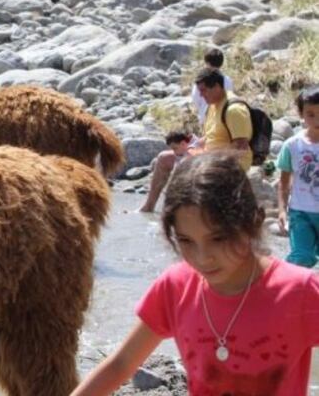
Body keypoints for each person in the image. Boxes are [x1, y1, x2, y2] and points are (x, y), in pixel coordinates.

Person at [72, 152, 319, 395]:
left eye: (218, 238)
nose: (203, 257)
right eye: (186, 240)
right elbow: (121, 364)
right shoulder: (175, 287)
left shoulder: (301, 291)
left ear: (253, 221)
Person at [140, 68, 252, 212]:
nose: (200, 95)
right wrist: (193, 147)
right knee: (164, 159)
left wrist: (208, 158)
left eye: (203, 90)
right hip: (209, 154)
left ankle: (177, 213)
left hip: (229, 163)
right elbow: (210, 136)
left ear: (217, 87)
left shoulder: (234, 110)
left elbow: (240, 148)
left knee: (184, 166)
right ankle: (148, 207)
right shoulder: (213, 105)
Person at [277, 86, 319, 268]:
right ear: (301, 114)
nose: (317, 119)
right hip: (300, 212)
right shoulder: (292, 145)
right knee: (301, 258)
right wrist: (281, 210)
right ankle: (293, 293)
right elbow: (284, 181)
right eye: (310, 114)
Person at [190, 48, 233, 125]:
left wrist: (201, 107)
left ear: (207, 62)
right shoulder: (227, 79)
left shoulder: (201, 79)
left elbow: (195, 98)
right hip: (224, 114)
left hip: (205, 115)